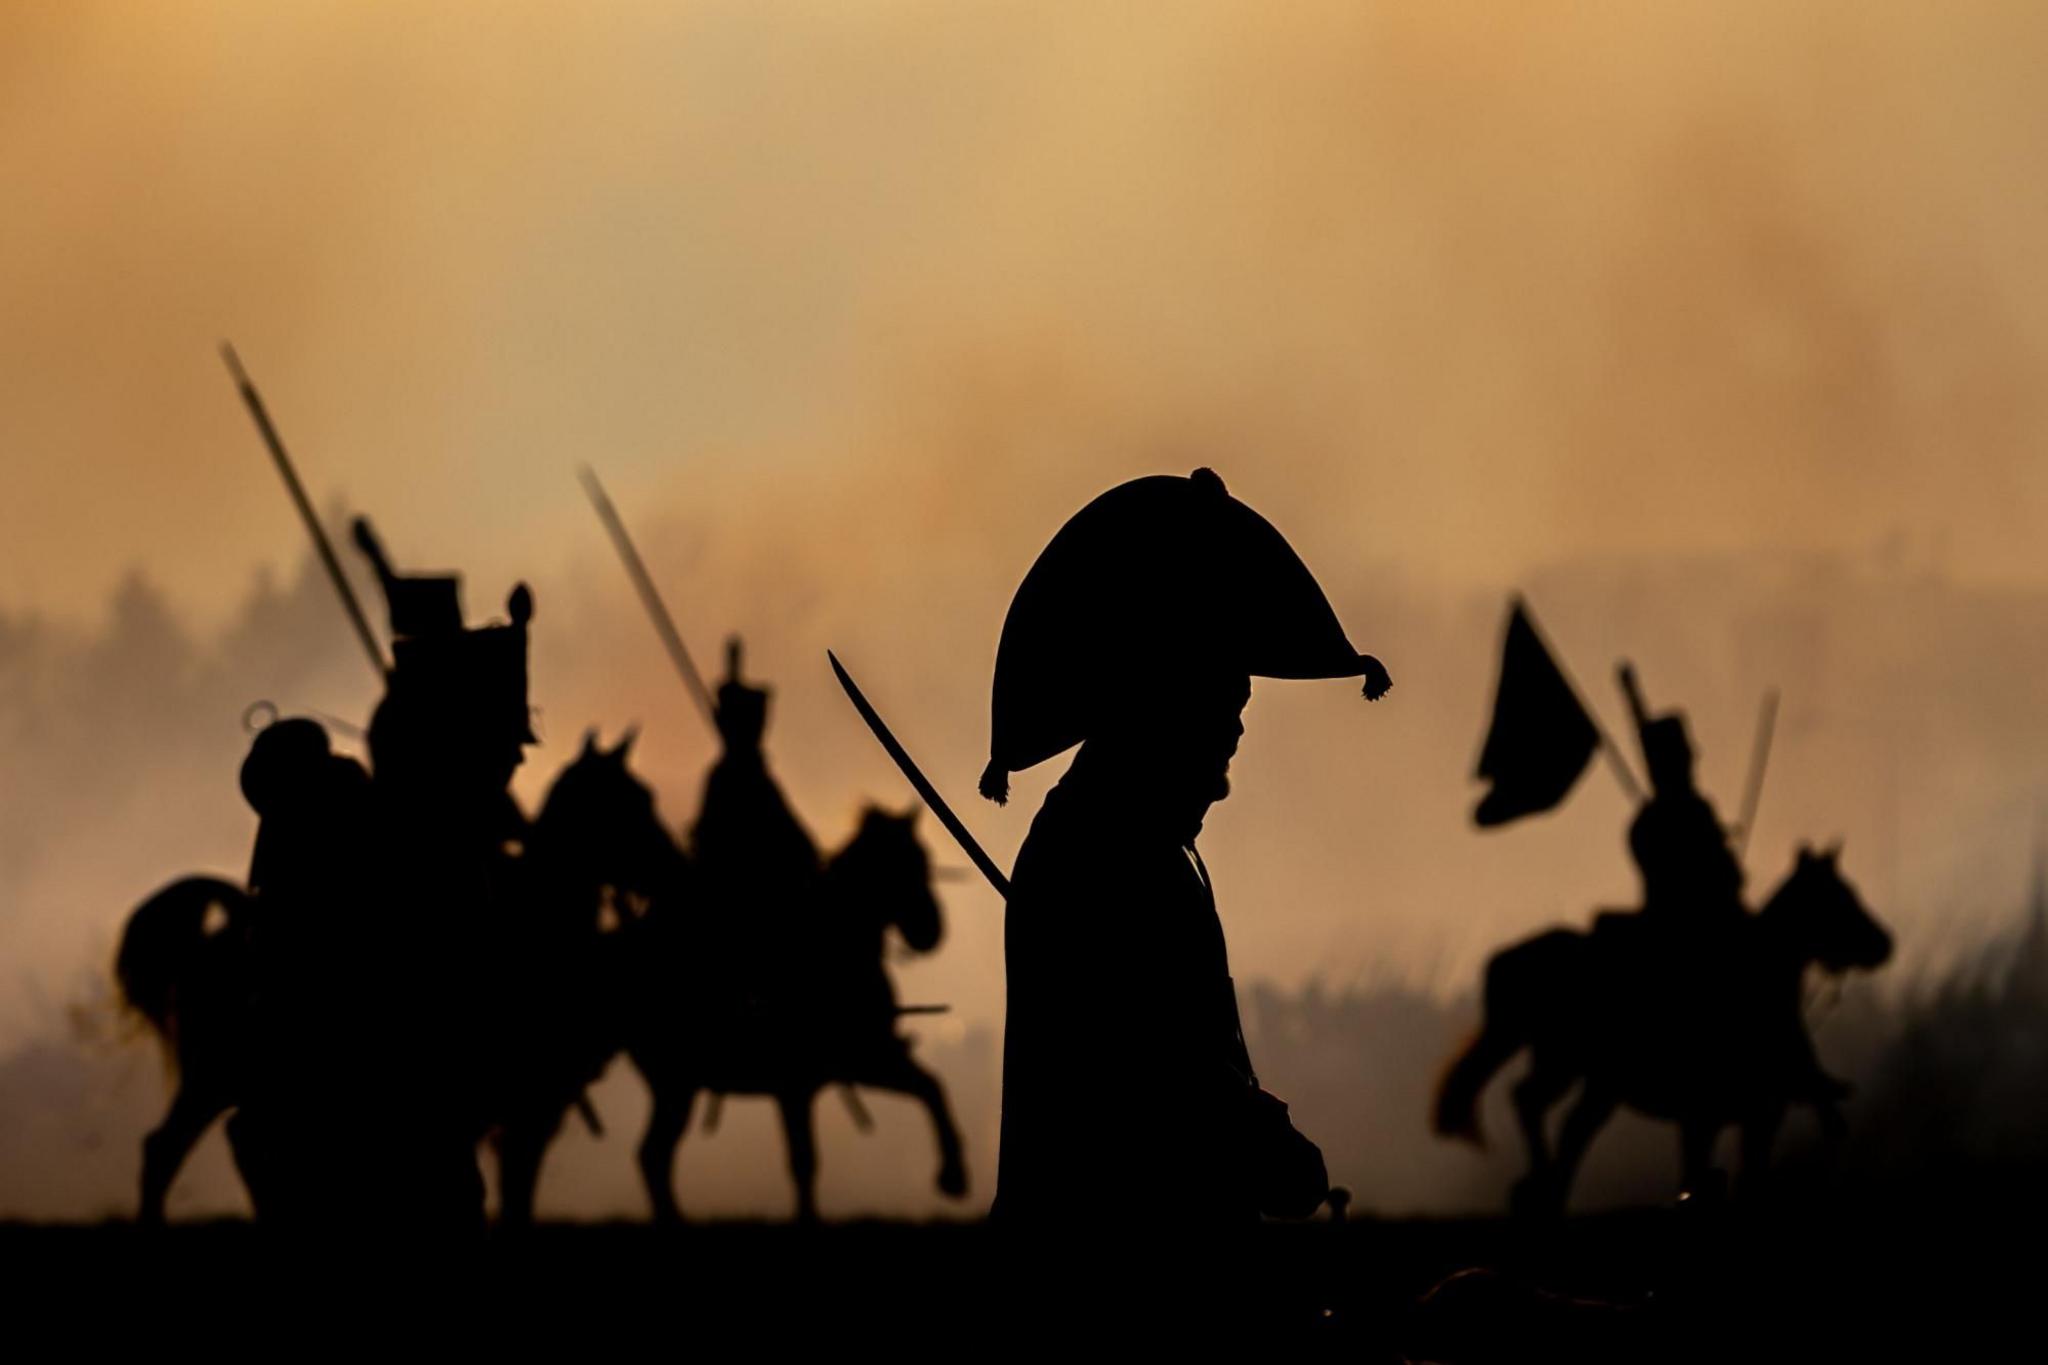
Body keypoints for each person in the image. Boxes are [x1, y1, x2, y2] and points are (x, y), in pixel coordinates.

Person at [981, 467, 1389, 1227]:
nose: (1234, 734)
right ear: (1163, 706)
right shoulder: (1110, 858)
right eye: (1222, 707)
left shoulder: (1127, 845)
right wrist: (1265, 1139)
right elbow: (1156, 1080)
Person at [1618, 664, 1745, 931]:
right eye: (1685, 754)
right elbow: (1724, 877)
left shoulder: (1672, 815)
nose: (1693, 759)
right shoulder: (1680, 815)